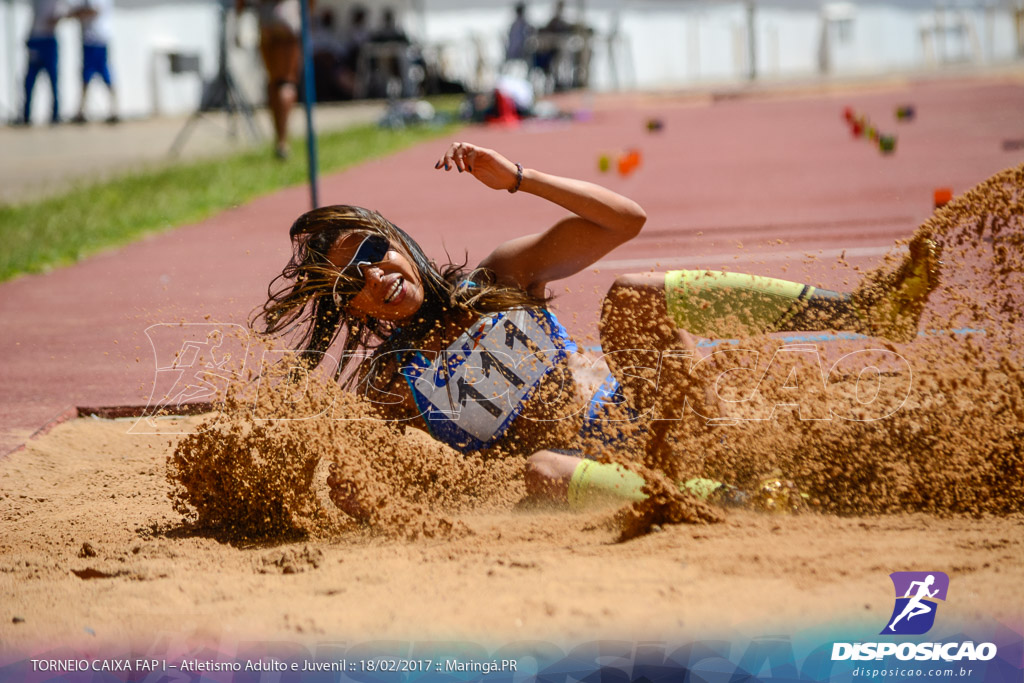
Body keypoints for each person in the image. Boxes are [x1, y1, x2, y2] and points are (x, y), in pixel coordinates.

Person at [255, 142, 940, 518]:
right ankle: (742, 505)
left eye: (374, 253)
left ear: (397, 243)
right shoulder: (393, 381)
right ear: (352, 310)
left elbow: (626, 221)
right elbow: (352, 471)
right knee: (541, 471)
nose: (375, 276)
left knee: (629, 297)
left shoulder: (500, 276)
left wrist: (519, 178)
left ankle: (867, 312)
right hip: (609, 472)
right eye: (352, 283)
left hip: (667, 412)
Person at [235, 0, 314, 159]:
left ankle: (279, 139)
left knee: (274, 81)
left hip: (265, 20)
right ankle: (283, 141)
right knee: (286, 81)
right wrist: (306, 13)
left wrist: (239, 15)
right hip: (287, 18)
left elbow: (241, 3)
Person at [69, 0, 119, 124]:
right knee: (89, 74)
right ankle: (82, 110)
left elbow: (93, 10)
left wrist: (77, 13)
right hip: (93, 39)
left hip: (95, 39)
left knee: (101, 73)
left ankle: (113, 110)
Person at [21, 0, 67, 126]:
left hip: (48, 39)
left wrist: (55, 19)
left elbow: (62, 14)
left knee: (53, 80)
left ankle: (55, 115)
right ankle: (26, 115)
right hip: (35, 38)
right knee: (29, 80)